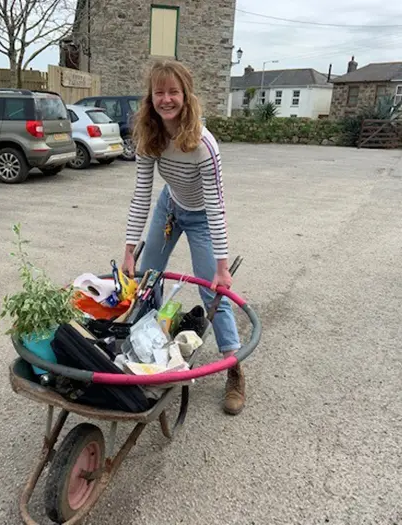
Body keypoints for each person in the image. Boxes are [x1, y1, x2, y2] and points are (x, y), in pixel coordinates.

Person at [121, 59, 246, 416]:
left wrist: (222, 267)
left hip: (202, 216)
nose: (166, 99)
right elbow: (142, 194)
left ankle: (233, 367)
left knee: (213, 290)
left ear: (186, 96)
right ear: (150, 98)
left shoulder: (204, 145)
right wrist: (129, 250)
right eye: (159, 92)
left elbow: (217, 206)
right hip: (169, 207)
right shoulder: (149, 135)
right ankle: (147, 349)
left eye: (173, 91)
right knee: (148, 278)